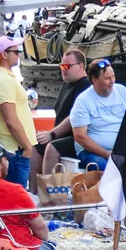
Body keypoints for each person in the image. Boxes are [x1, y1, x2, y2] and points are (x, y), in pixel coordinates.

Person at [0, 35, 36, 188]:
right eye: (16, 52)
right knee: (16, 196)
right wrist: (27, 147)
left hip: (6, 148)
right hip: (14, 150)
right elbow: (10, 120)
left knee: (7, 195)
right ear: (4, 54)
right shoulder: (5, 81)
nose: (19, 54)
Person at [35, 48, 90, 178]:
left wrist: (52, 134)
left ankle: (48, 187)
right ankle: (34, 188)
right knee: (35, 146)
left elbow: (74, 117)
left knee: (52, 148)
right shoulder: (66, 84)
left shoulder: (86, 86)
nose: (63, 69)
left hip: (76, 137)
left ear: (81, 66)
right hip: (60, 135)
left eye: (67, 66)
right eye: (61, 66)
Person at [69, 59, 126, 172]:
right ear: (95, 80)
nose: (112, 81)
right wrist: (106, 154)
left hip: (122, 150)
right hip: (91, 152)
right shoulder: (83, 101)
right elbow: (80, 136)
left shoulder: (123, 92)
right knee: (104, 167)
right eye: (107, 78)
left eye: (113, 76)